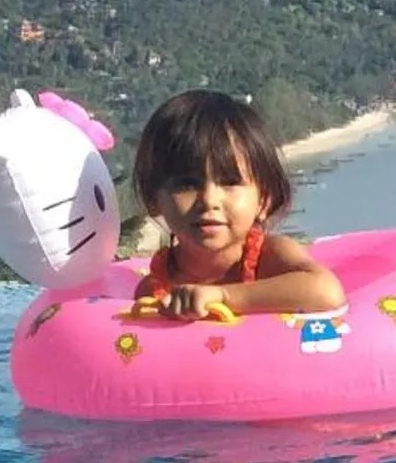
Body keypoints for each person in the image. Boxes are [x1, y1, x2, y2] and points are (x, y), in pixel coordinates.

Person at [128, 89, 345, 320]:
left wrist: (222, 296)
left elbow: (326, 291)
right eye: (187, 185)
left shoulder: (272, 258)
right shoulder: (153, 289)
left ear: (263, 200)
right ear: (153, 199)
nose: (209, 200)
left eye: (230, 182)